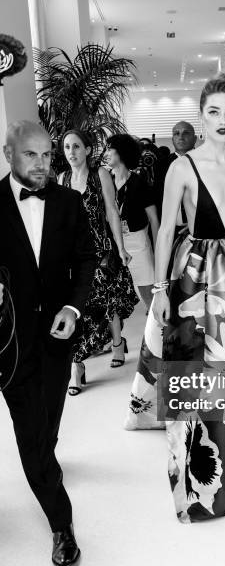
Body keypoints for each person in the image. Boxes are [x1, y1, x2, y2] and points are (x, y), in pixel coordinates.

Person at [124, 74, 225, 523]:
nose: (222, 119)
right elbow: (164, 234)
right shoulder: (182, 167)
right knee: (205, 374)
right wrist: (158, 290)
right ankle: (209, 482)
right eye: (213, 111)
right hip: (198, 276)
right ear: (201, 115)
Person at [0, 120, 96, 566]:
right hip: (10, 343)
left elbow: (86, 260)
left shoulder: (69, 202)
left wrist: (72, 309)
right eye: (30, 155)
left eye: (46, 155)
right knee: (32, 433)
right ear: (8, 155)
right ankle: (62, 524)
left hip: (58, 338)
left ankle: (44, 463)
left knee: (48, 422)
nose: (41, 165)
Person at [58, 130, 138, 394]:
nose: (72, 152)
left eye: (77, 146)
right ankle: (76, 366)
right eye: (67, 147)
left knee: (107, 300)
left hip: (102, 250)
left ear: (88, 150)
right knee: (78, 307)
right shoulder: (61, 179)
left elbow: (112, 212)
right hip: (74, 257)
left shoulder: (99, 175)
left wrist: (122, 248)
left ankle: (117, 343)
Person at [106, 134, 159, 310]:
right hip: (113, 241)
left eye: (109, 149)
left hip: (137, 240)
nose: (105, 153)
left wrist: (159, 247)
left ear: (121, 152)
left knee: (146, 287)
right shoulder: (104, 180)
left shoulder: (139, 182)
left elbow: (153, 218)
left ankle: (156, 323)